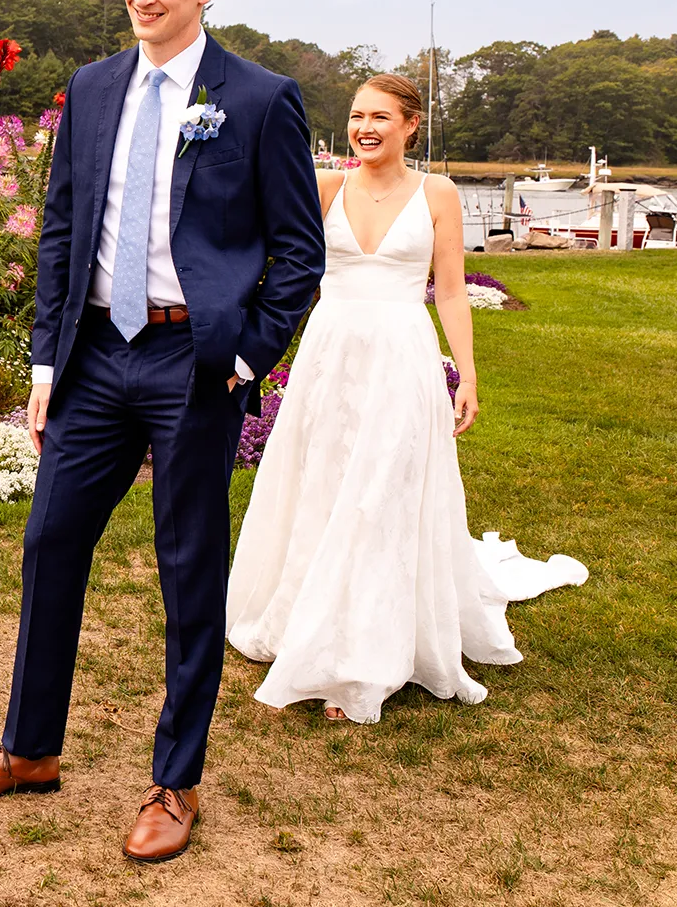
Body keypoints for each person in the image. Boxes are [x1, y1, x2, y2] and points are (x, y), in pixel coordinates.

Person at [0, 0, 324, 863]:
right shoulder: (91, 91)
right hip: (96, 357)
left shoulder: (260, 100)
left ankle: (175, 784)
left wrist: (244, 354)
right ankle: (27, 750)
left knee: (188, 570)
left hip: (193, 364)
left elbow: (299, 254)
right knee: (50, 542)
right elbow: (62, 231)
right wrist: (47, 363)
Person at [225, 74, 587, 724]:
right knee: (327, 488)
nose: (365, 127)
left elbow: (449, 290)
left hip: (402, 360)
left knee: (381, 495)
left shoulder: (438, 193)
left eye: (380, 117)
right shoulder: (326, 185)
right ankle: (309, 621)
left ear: (410, 124)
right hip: (330, 358)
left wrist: (468, 374)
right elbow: (276, 259)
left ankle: (363, 659)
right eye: (358, 115)